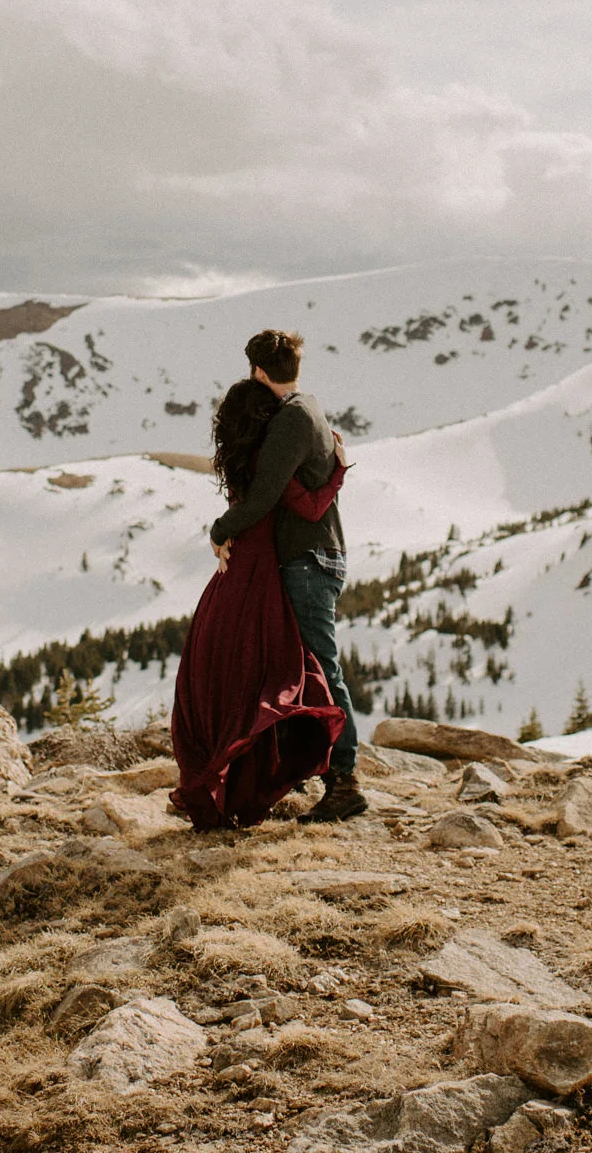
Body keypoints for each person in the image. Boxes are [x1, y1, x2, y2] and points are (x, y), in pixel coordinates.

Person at [204, 329, 369, 823]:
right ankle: (300, 772)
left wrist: (220, 529)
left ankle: (345, 782)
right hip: (314, 556)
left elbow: (264, 495)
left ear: (258, 372)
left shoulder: (291, 420)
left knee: (321, 668)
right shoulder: (307, 408)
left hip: (308, 559)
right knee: (299, 670)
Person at [169, 377, 347, 828]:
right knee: (282, 671)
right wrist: (339, 470)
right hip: (261, 571)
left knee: (234, 674)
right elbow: (310, 507)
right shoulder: (269, 468)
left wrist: (221, 532)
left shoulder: (236, 459)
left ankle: (238, 778)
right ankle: (317, 775)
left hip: (232, 572)